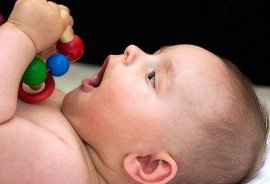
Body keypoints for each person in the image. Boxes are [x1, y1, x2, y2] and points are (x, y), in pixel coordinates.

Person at [0, 0, 269, 184]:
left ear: (148, 164)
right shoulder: (75, 135)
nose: (133, 49)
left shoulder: (62, 169)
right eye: (153, 53)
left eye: (152, 77)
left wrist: (22, 33)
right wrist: (33, 59)